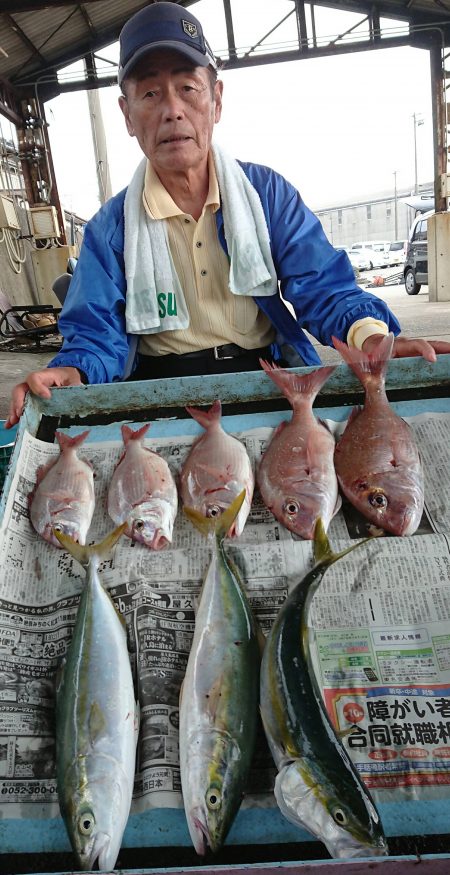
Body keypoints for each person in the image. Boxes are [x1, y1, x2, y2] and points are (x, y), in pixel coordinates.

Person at [6, 2, 450, 429]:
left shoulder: (266, 194)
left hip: (264, 376)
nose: (172, 110)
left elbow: (324, 287)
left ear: (216, 100)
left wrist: (372, 338)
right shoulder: (111, 227)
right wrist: (72, 371)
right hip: (159, 388)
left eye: (188, 88)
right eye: (150, 93)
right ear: (127, 114)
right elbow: (94, 331)